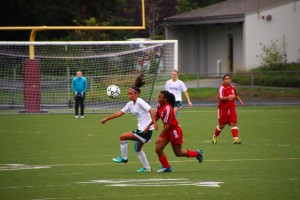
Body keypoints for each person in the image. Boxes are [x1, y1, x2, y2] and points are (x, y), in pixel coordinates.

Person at [100, 74, 158, 172]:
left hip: (145, 131)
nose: (129, 96)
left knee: (123, 137)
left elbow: (151, 110)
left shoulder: (140, 101)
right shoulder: (130, 104)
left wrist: (154, 123)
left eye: (131, 94)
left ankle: (124, 158)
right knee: (138, 149)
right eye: (128, 94)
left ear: (136, 94)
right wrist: (107, 119)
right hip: (142, 130)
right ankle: (147, 168)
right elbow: (120, 113)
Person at [146, 90, 203, 173]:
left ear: (165, 99)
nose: (157, 98)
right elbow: (157, 116)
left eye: (159, 97)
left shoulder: (168, 108)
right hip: (167, 131)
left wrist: (160, 136)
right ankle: (167, 167)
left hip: (174, 132)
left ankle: (197, 153)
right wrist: (149, 125)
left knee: (178, 153)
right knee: (158, 149)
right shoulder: (159, 105)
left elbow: (168, 125)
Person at [212, 74, 244, 144]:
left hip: (232, 108)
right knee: (221, 126)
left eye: (228, 79)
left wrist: (240, 100)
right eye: (226, 79)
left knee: (234, 123)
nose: (227, 80)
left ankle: (235, 139)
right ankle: (214, 136)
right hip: (223, 109)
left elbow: (235, 95)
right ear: (223, 80)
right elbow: (220, 98)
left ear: (230, 79)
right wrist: (229, 97)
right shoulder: (222, 88)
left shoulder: (233, 88)